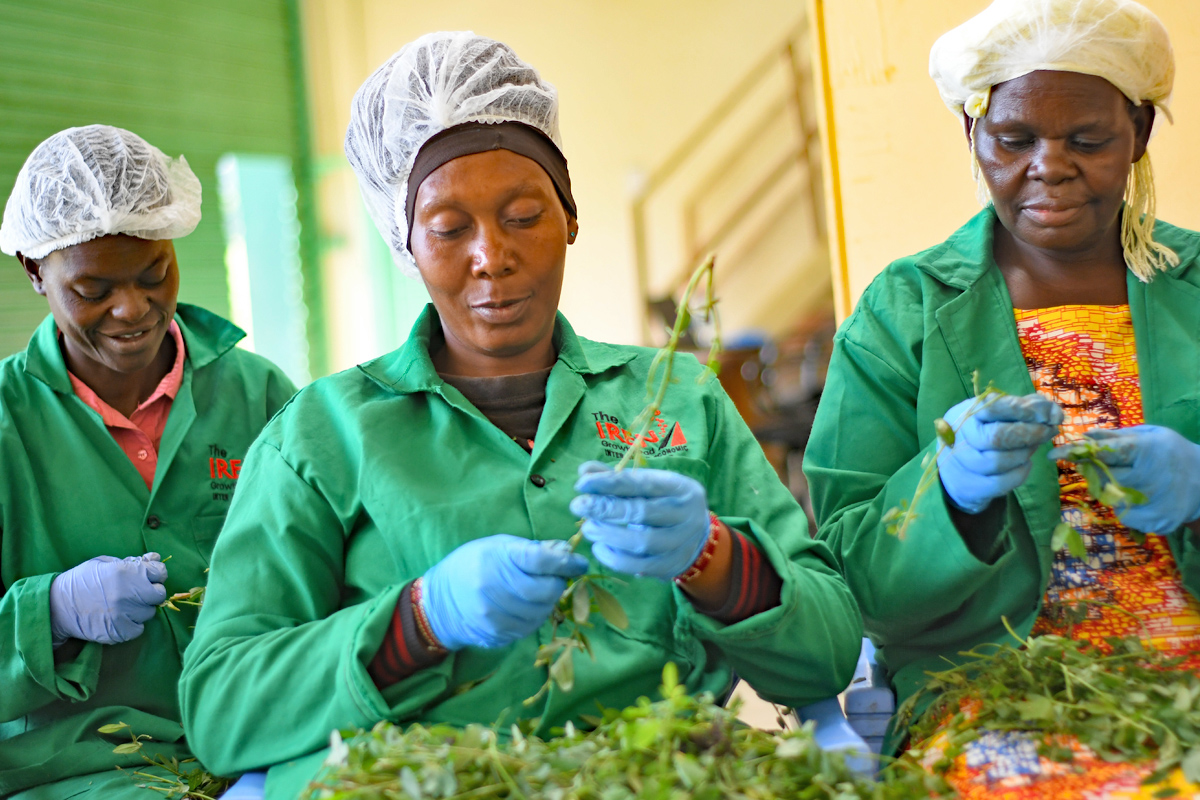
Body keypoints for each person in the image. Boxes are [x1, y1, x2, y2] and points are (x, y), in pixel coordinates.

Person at [178, 31, 863, 799]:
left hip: (660, 774)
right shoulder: (321, 436)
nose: (490, 256)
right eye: (448, 228)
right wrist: (421, 619)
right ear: (404, 242)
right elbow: (222, 707)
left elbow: (829, 653)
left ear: (570, 217)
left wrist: (715, 559)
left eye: (524, 213)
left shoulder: (679, 398)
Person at [804, 0, 1200, 794]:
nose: (1049, 165)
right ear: (972, 136)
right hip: (997, 690)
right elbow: (848, 571)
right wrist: (947, 497)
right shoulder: (905, 310)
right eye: (1015, 140)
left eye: (1087, 140)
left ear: (1140, 135)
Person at [0, 125, 297, 798]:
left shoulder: (262, 396)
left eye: (153, 274)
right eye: (93, 289)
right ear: (34, 271)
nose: (133, 309)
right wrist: (48, 613)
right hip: (79, 771)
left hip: (263, 742)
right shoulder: (6, 426)